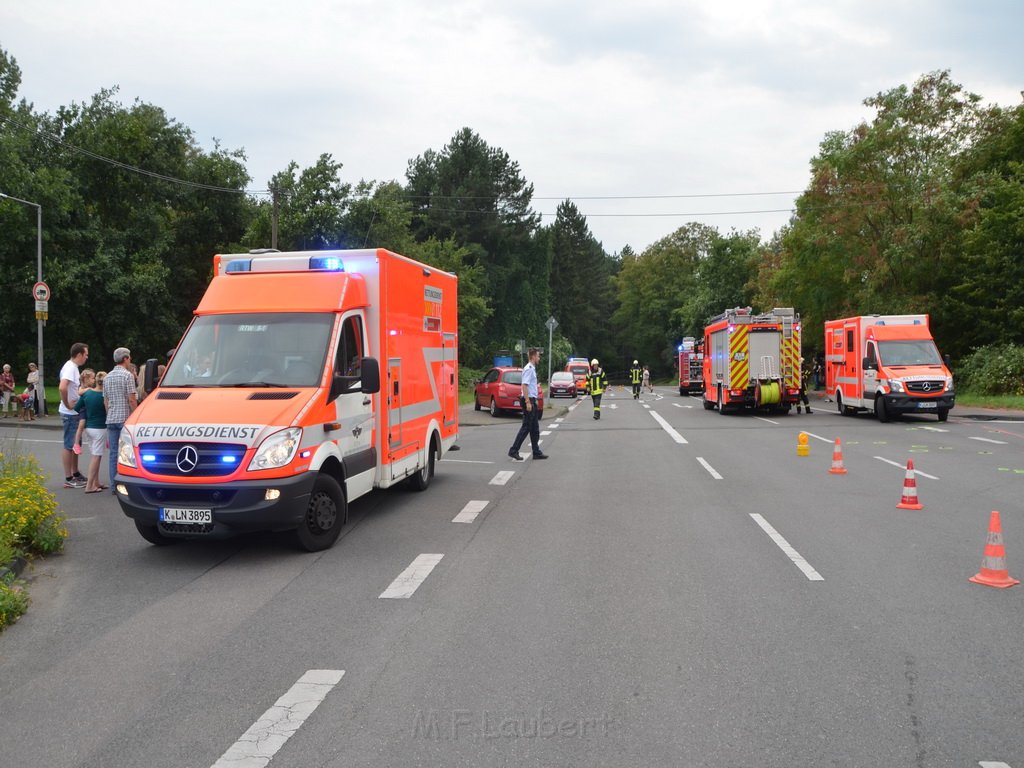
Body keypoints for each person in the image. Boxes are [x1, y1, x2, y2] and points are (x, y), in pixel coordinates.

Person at [104, 347, 139, 492]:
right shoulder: (127, 376)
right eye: (129, 357)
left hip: (111, 418)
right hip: (125, 418)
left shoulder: (107, 377)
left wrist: (109, 414)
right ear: (125, 358)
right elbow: (131, 399)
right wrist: (136, 415)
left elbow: (105, 400)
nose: (130, 360)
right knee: (127, 454)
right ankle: (126, 485)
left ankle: (113, 485)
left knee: (113, 454)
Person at [507, 347, 548, 461]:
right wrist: (527, 402)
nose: (539, 358)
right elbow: (524, 385)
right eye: (538, 356)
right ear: (533, 356)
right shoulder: (529, 368)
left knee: (534, 428)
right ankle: (513, 450)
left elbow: (529, 385)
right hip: (528, 400)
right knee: (526, 427)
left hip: (532, 400)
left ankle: (536, 452)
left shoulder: (532, 368)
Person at [59, 343, 89, 488]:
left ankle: (75, 473)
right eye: (86, 354)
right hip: (69, 412)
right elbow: (62, 387)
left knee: (76, 443)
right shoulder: (70, 368)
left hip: (74, 411)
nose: (87, 357)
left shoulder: (73, 368)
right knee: (69, 445)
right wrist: (67, 404)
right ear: (79, 354)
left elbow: (73, 389)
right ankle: (69, 478)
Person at [74, 369, 108, 492]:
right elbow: (107, 411)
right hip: (100, 428)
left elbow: (77, 408)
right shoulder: (104, 396)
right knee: (96, 457)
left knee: (95, 455)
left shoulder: (87, 394)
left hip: (89, 428)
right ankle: (89, 486)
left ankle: (96, 482)